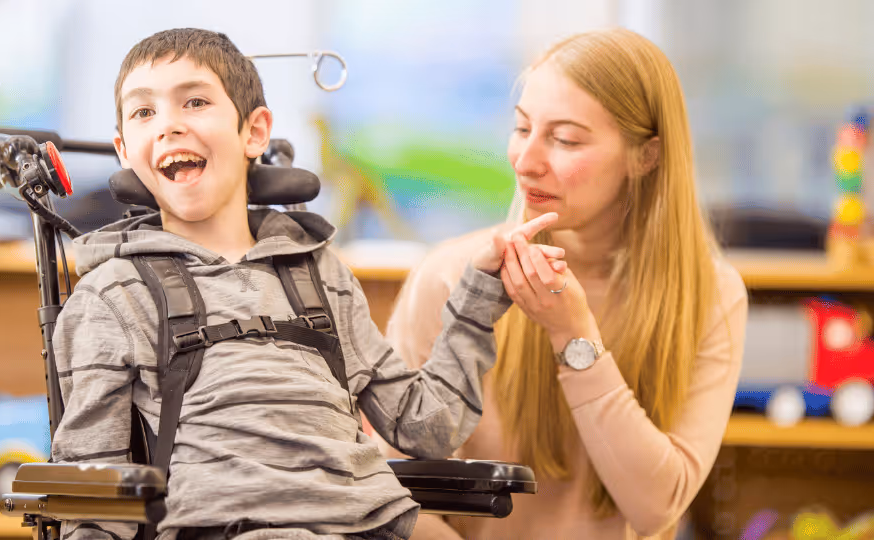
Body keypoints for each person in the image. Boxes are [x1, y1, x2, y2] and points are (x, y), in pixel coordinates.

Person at [49, 28, 562, 540]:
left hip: (368, 520)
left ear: (254, 132)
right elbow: (91, 495)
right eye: (143, 112)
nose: (168, 126)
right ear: (124, 150)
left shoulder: (320, 275)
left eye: (196, 101)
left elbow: (424, 426)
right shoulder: (112, 296)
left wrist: (478, 297)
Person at [384, 28, 749, 540]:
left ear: (647, 156)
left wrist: (574, 335)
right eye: (522, 128)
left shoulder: (711, 296)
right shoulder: (449, 276)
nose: (525, 161)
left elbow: (655, 510)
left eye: (565, 138)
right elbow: (391, 495)